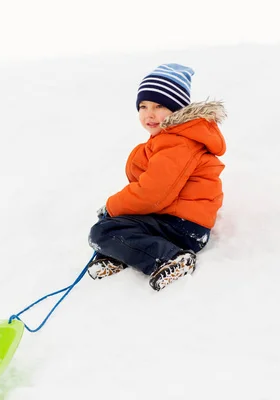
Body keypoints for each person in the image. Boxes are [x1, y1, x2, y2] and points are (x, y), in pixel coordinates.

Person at [87, 63, 226, 291]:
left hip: (185, 227)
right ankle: (122, 254)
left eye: (159, 105)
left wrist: (113, 206)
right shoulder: (168, 138)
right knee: (114, 225)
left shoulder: (178, 143)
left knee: (104, 230)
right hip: (173, 219)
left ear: (177, 110)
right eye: (143, 106)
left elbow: (153, 194)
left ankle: (171, 258)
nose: (149, 114)